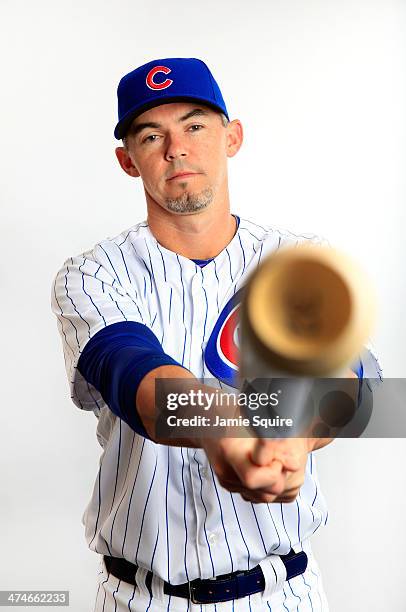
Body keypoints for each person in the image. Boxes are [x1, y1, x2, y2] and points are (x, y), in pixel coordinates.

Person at [51, 57, 381, 611]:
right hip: (141, 597)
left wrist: (299, 432)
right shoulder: (93, 273)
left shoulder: (296, 259)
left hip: (285, 594)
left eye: (195, 125)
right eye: (151, 135)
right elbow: (132, 371)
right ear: (127, 161)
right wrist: (230, 429)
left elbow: (355, 378)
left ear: (233, 137)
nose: (176, 148)